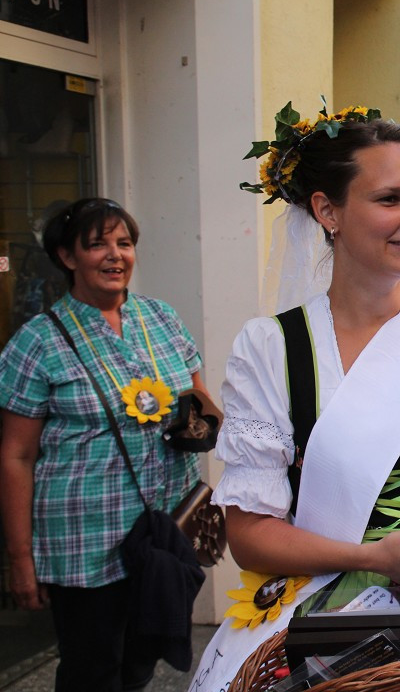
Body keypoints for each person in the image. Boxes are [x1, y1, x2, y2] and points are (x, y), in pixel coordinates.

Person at [189, 104, 400, 689]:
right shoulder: (273, 348)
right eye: (389, 199)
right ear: (328, 211)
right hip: (325, 621)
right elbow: (248, 537)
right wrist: (375, 559)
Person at [0, 198, 210, 691]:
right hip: (84, 540)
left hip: (164, 529)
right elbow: (15, 455)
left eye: (124, 243)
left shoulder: (160, 318)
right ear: (67, 257)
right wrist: (20, 559)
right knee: (91, 670)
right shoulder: (38, 341)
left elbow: (199, 396)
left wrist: (198, 421)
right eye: (98, 245)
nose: (115, 256)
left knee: (143, 657)